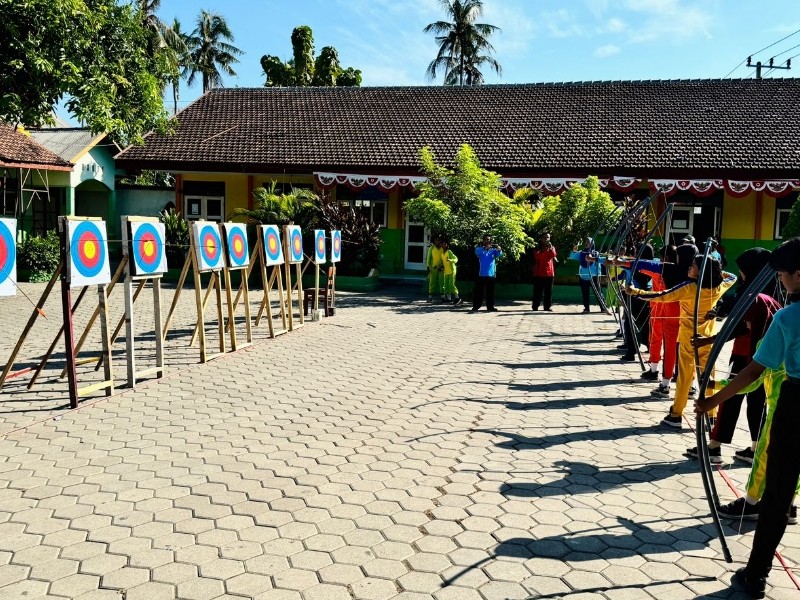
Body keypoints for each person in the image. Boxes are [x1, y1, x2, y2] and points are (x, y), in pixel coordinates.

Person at [695, 237, 800, 599]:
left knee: (777, 496)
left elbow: (754, 371)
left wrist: (711, 401)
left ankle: (755, 575)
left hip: (795, 408)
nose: (781, 281)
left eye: (784, 274)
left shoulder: (788, 317)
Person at [688, 248, 781, 464]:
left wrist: (710, 340)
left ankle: (717, 447)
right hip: (758, 357)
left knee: (733, 398)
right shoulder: (761, 292)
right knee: (753, 401)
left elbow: (740, 327)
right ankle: (751, 448)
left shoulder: (756, 297)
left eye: (743, 270)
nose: (740, 274)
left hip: (750, 357)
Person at [627, 254, 736, 429]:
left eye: (694, 266)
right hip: (707, 339)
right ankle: (711, 416)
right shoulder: (718, 286)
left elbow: (662, 295)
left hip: (689, 340)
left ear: (701, 271)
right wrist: (715, 272)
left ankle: (676, 414)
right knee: (708, 377)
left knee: (684, 378)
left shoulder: (689, 288)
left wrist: (635, 292)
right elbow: (732, 277)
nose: (689, 268)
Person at [569, 237, 604, 313]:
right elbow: (571, 257)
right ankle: (586, 308)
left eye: (588, 241)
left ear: (592, 244)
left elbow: (598, 264)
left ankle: (603, 308)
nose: (586, 243)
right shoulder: (581, 253)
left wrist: (598, 275)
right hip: (583, 276)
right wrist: (574, 251)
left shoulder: (595, 253)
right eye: (586, 241)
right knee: (585, 293)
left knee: (598, 293)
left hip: (594, 276)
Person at [471, 235, 502, 312]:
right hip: (481, 274)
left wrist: (499, 249)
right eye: (485, 239)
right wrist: (486, 248)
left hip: (491, 274)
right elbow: (477, 253)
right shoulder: (479, 249)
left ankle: (490, 307)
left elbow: (499, 254)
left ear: (490, 241)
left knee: (490, 292)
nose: (486, 241)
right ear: (482, 241)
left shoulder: (493, 250)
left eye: (488, 239)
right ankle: (476, 306)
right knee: (478, 292)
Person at [531, 233, 557, 311]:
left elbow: (553, 255)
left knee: (548, 292)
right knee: (537, 291)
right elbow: (538, 256)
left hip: (549, 273)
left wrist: (550, 248)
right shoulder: (537, 248)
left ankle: (547, 306)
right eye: (545, 237)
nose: (546, 239)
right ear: (541, 239)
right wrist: (544, 250)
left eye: (548, 237)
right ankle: (535, 306)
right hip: (539, 273)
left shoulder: (552, 247)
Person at [440, 240, 463, 305]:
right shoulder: (442, 254)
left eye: (445, 244)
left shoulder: (449, 252)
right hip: (446, 271)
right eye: (442, 244)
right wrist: (442, 267)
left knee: (451, 285)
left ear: (447, 245)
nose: (443, 245)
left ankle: (458, 298)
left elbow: (456, 259)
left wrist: (451, 260)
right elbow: (443, 262)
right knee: (446, 285)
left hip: (452, 270)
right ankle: (449, 298)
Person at [426, 236, 445, 303]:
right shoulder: (431, 248)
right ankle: (430, 296)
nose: (437, 241)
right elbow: (429, 257)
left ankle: (443, 296)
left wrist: (443, 266)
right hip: (433, 268)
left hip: (441, 268)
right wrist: (428, 267)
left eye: (439, 240)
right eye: (436, 240)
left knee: (442, 282)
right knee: (432, 282)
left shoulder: (443, 248)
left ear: (440, 241)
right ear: (434, 241)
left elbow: (445, 258)